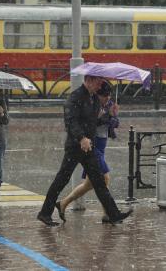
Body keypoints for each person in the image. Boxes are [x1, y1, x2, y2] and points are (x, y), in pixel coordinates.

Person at [37, 76, 132, 226]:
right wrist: (81, 138)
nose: (98, 87)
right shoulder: (75, 97)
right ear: (88, 81)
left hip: (88, 147)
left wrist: (110, 115)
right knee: (62, 179)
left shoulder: (93, 98)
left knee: (99, 181)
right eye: (97, 83)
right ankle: (45, 213)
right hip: (75, 146)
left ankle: (113, 214)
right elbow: (71, 122)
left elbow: (94, 122)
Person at [56, 82, 120, 223]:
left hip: (102, 146)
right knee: (105, 178)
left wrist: (114, 115)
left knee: (89, 184)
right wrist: (105, 117)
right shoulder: (92, 105)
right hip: (92, 145)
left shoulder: (109, 105)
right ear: (98, 94)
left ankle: (63, 203)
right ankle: (108, 214)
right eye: (104, 95)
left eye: (109, 95)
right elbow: (90, 124)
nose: (107, 98)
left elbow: (114, 124)